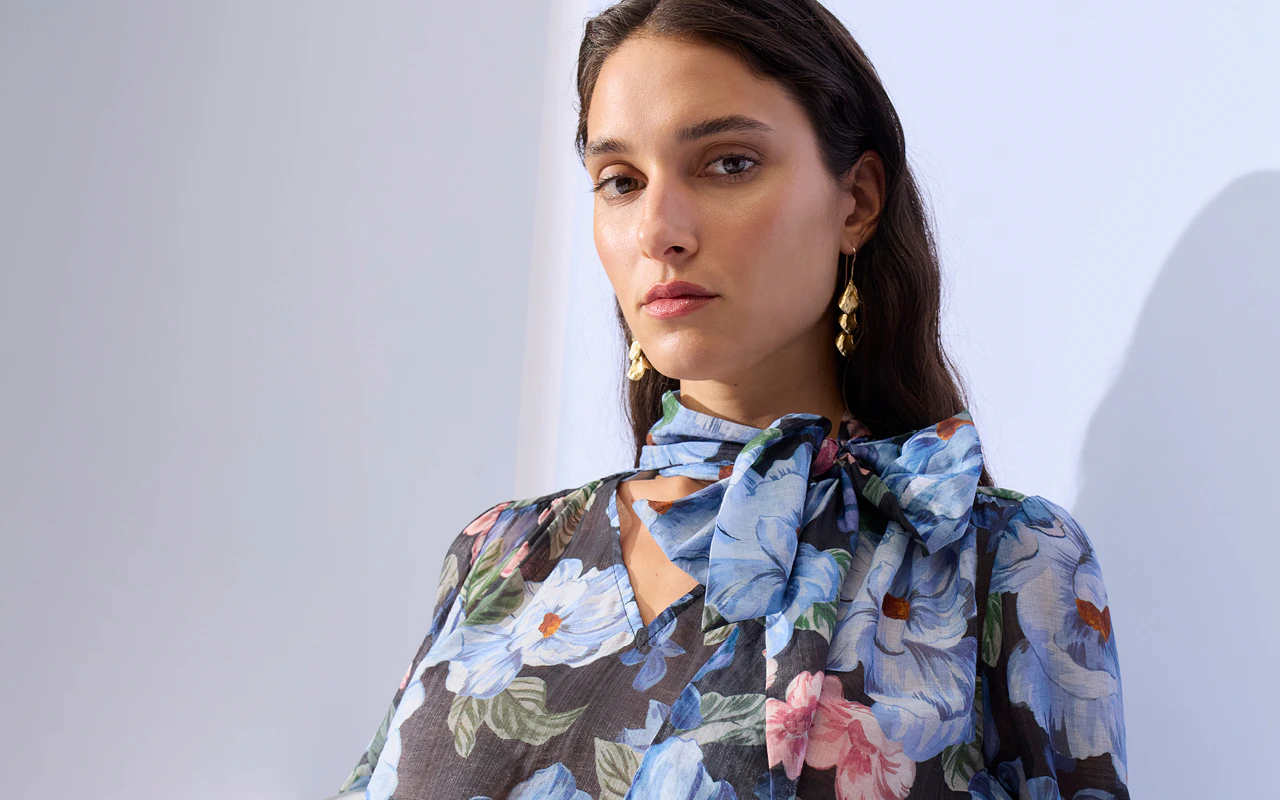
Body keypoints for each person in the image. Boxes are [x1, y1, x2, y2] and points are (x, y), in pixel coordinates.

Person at [336, 1, 1129, 798]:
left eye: (728, 164)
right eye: (621, 181)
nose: (659, 230)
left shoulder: (1004, 566)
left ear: (856, 200)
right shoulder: (499, 554)